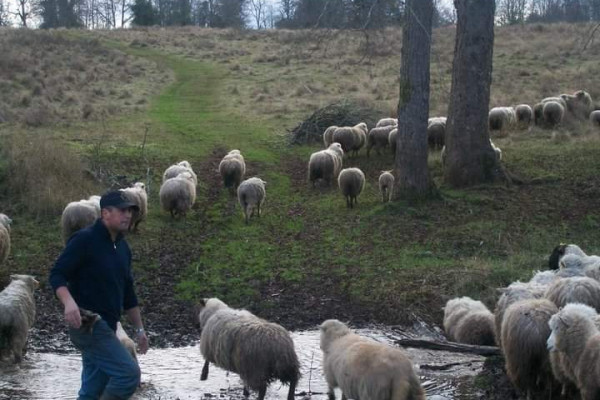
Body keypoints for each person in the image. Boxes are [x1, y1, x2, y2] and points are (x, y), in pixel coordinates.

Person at [49, 191, 149, 400]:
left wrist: (139, 330)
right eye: (122, 210)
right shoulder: (84, 240)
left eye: (131, 210)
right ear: (105, 213)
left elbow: (128, 293)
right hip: (88, 324)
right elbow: (57, 274)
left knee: (92, 391)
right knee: (128, 375)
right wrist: (69, 303)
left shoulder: (122, 247)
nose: (128, 215)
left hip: (109, 325)